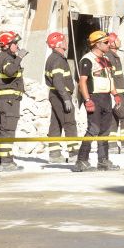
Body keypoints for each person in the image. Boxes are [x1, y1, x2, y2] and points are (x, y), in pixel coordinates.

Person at [74, 30, 120, 172]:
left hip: (106, 97)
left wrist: (115, 94)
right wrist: (87, 100)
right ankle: (81, 160)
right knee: (93, 129)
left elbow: (110, 79)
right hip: (94, 97)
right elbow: (82, 82)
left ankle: (103, 161)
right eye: (106, 42)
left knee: (105, 131)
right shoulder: (87, 60)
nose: (109, 44)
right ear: (97, 44)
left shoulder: (106, 60)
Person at [0, 31, 27, 172]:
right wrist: (19, 58)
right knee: (8, 130)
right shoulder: (6, 58)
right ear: (7, 45)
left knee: (2, 129)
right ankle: (6, 162)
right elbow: (10, 72)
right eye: (15, 43)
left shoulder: (2, 57)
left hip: (6, 101)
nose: (17, 46)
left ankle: (0, 161)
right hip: (9, 101)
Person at [44, 32, 79, 164]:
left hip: (55, 95)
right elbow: (58, 81)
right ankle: (74, 154)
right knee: (69, 123)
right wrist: (65, 97)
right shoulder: (58, 60)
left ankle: (54, 154)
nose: (66, 42)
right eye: (63, 40)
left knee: (56, 123)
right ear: (58, 44)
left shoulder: (53, 58)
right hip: (60, 95)